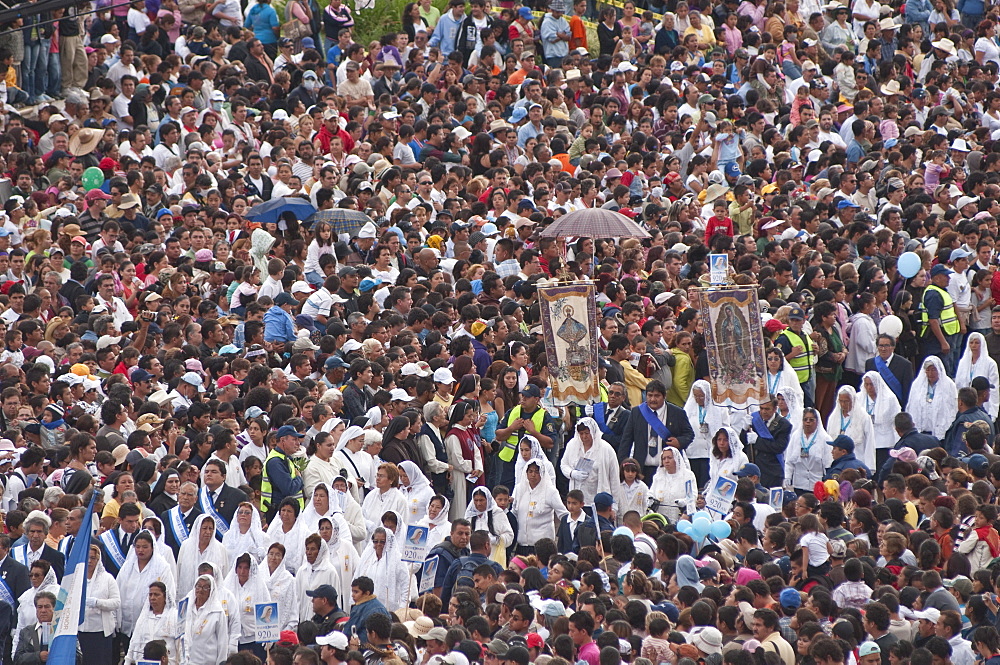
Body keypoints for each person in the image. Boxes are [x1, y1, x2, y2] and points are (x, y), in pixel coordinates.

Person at [619, 379, 695, 479]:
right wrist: (623, 465)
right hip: (642, 469)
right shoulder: (637, 412)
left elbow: (689, 434)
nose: (653, 399)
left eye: (657, 396)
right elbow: (626, 440)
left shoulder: (677, 413)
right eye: (650, 395)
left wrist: (680, 442)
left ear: (664, 396)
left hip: (667, 470)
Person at [559, 417, 620, 504]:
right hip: (577, 500)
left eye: (587, 433)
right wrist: (572, 473)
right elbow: (564, 464)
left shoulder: (606, 449)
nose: (584, 436)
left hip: (597, 499)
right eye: (581, 433)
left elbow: (614, 478)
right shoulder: (572, 445)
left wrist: (614, 504)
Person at [180, 574, 236, 665]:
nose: (201, 590)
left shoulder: (217, 612)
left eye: (205, 587)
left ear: (211, 591)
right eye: (198, 586)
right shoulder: (186, 609)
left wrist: (221, 662)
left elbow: (222, 643)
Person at [354, 527, 409, 612]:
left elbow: (406, 587)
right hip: (367, 608)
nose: (378, 544)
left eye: (382, 542)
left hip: (389, 610)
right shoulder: (367, 558)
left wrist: (402, 609)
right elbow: (357, 579)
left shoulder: (398, 560)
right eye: (376, 541)